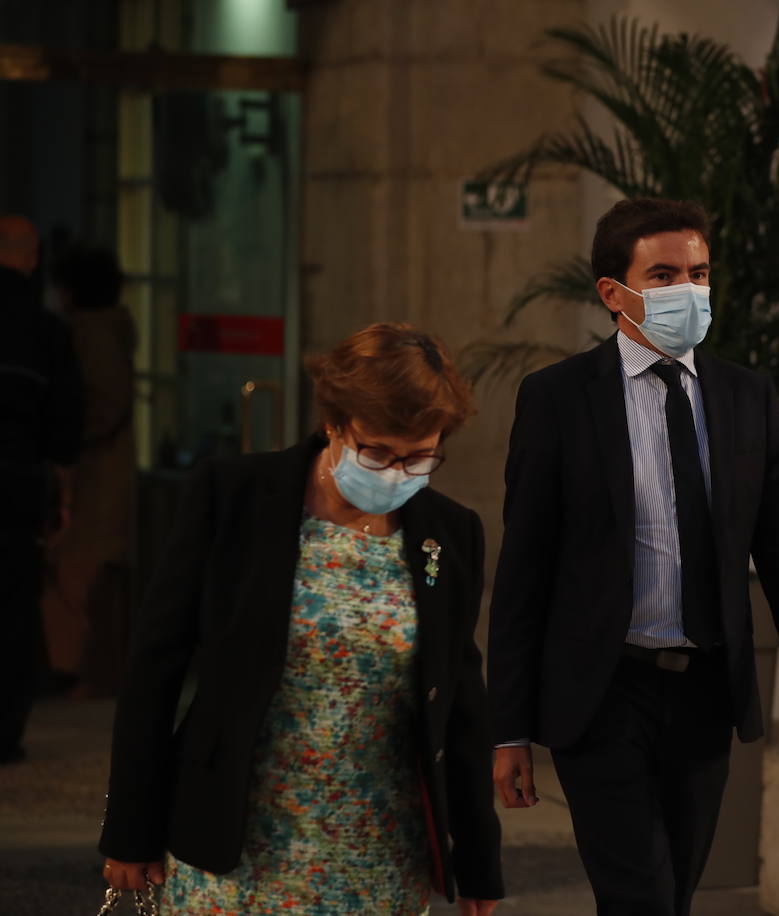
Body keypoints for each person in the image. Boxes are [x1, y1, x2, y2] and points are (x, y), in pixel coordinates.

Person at [487, 197, 779, 916]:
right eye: (663, 275)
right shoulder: (559, 399)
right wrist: (510, 729)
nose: (687, 290)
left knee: (672, 893)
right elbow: (524, 572)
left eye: (699, 272)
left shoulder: (747, 399)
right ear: (613, 293)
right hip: (602, 690)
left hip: (705, 693)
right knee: (642, 898)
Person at [99, 324, 503, 915]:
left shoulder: (450, 533)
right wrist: (130, 830)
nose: (396, 473)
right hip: (238, 842)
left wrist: (478, 863)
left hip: (381, 852)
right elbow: (153, 672)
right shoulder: (233, 497)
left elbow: (461, 706)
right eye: (377, 452)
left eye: (419, 457)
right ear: (335, 424)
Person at [0, 215, 84, 764]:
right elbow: (64, 426)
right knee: (12, 608)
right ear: (30, 258)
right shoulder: (45, 330)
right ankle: (5, 732)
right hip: (16, 484)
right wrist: (62, 495)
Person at [43, 244, 136, 699]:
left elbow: (104, 404)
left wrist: (65, 442)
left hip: (94, 475)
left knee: (80, 575)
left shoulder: (91, 336)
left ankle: (80, 672)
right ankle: (92, 671)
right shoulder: (108, 330)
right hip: (105, 473)